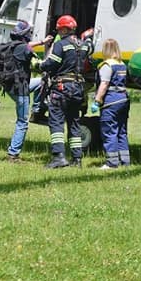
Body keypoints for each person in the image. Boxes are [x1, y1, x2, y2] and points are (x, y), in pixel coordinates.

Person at [40, 15, 93, 168]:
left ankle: (59, 157)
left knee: (56, 122)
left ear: (63, 29)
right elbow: (91, 47)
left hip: (62, 88)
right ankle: (77, 159)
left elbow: (52, 63)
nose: (58, 32)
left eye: (59, 29)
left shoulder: (61, 44)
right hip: (77, 88)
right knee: (74, 123)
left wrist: (38, 65)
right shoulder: (82, 45)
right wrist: (88, 37)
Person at [4, 20, 51, 163]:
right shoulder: (26, 49)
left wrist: (42, 42)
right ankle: (13, 154)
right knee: (22, 122)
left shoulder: (10, 46)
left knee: (40, 82)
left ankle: (36, 109)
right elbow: (38, 65)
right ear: (25, 35)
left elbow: (27, 46)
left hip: (9, 86)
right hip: (21, 88)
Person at [92, 38, 130, 169]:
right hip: (123, 99)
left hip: (111, 102)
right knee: (121, 131)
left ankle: (112, 162)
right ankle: (125, 161)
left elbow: (104, 84)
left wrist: (97, 101)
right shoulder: (122, 64)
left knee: (109, 131)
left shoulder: (106, 65)